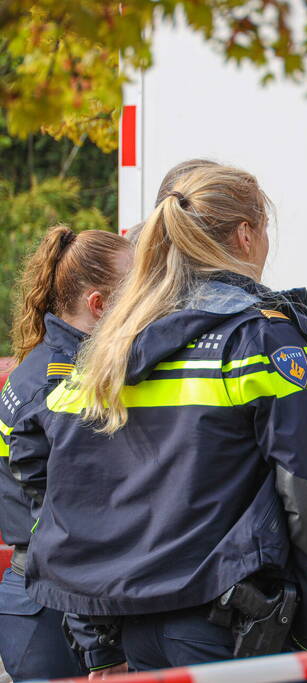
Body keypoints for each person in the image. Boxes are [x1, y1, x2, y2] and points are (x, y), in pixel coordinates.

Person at [22, 164, 307, 672]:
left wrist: (98, 639)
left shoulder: (111, 343)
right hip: (230, 623)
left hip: (135, 625)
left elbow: (63, 489)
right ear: (247, 234)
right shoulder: (258, 337)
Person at [0, 226, 132, 680]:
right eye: (134, 291)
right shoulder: (62, 387)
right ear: (98, 305)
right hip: (57, 614)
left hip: (47, 602)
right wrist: (101, 649)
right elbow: (63, 529)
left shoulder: (40, 365)